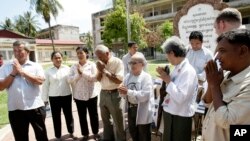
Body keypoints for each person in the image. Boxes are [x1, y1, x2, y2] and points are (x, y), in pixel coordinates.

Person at [202, 29, 250, 141]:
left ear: (243, 51)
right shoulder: (225, 75)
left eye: (222, 51)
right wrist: (211, 82)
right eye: (216, 52)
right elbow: (207, 102)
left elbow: (226, 121)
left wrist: (214, 85)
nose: (217, 57)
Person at [0, 41, 48, 141]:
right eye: (15, 50)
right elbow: (1, 87)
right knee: (20, 138)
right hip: (15, 109)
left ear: (27, 52)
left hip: (35, 107)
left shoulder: (36, 66)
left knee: (41, 136)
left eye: (20, 50)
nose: (17, 53)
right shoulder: (5, 67)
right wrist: (13, 72)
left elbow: (40, 81)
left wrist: (22, 72)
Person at [156, 36, 198, 141]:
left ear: (171, 53)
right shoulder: (177, 68)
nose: (167, 58)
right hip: (171, 114)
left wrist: (168, 81)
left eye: (167, 54)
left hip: (180, 117)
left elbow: (180, 97)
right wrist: (165, 75)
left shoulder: (187, 71)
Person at [118, 54, 154, 141]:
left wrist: (128, 91)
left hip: (142, 110)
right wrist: (121, 91)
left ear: (142, 64)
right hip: (131, 109)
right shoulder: (128, 76)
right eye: (130, 63)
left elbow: (145, 95)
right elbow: (124, 94)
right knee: (133, 132)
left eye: (134, 63)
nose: (132, 65)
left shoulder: (146, 77)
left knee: (144, 135)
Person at [68, 47, 100, 141]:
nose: (79, 55)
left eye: (81, 53)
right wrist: (78, 74)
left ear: (86, 53)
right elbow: (69, 80)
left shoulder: (92, 65)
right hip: (79, 96)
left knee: (93, 115)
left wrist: (83, 73)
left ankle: (95, 133)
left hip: (91, 95)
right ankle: (85, 134)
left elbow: (95, 78)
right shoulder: (74, 66)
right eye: (78, 53)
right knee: (82, 116)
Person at [95, 44, 126, 141]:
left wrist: (104, 70)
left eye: (100, 56)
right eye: (97, 57)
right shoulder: (100, 63)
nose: (98, 58)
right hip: (103, 93)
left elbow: (118, 80)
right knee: (106, 121)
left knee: (118, 122)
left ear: (107, 53)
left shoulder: (117, 62)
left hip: (115, 94)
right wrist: (100, 71)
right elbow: (98, 79)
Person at [42, 51, 75, 140]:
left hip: (66, 95)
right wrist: (45, 99)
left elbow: (72, 83)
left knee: (68, 115)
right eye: (55, 58)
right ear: (52, 59)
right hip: (54, 98)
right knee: (56, 117)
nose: (58, 59)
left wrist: (75, 95)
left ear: (62, 58)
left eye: (59, 57)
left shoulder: (67, 69)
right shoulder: (48, 71)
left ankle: (71, 132)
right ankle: (58, 136)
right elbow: (45, 86)